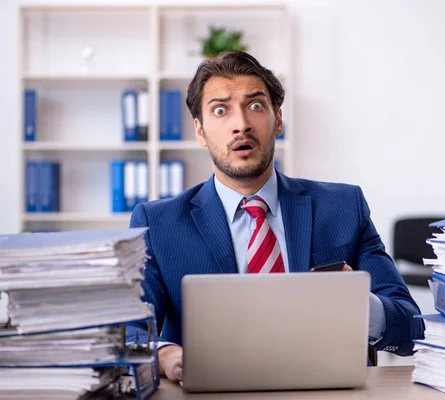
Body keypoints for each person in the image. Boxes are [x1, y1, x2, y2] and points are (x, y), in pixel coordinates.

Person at [128, 51, 424, 382]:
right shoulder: (158, 224)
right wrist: (165, 354)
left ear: (278, 120)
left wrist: (357, 304)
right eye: (220, 110)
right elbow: (127, 332)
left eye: (255, 106)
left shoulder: (343, 206)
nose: (241, 124)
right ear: (200, 131)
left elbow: (412, 326)